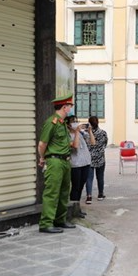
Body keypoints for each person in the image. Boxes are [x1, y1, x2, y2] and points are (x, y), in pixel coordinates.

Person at [36, 94, 76, 233]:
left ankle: (60, 220)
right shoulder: (51, 122)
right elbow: (42, 144)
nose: (71, 109)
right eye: (70, 106)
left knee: (64, 192)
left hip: (65, 161)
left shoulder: (62, 124)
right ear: (64, 107)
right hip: (55, 161)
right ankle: (46, 223)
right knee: (52, 192)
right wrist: (42, 158)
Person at [66, 115, 94, 218]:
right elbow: (75, 146)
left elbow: (93, 142)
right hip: (76, 165)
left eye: (76, 121)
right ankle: (72, 209)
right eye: (73, 121)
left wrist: (90, 131)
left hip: (85, 163)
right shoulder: (67, 136)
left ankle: (77, 208)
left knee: (81, 186)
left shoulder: (82, 133)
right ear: (68, 124)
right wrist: (77, 132)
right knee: (75, 187)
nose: (76, 123)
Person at [87, 116, 108, 203]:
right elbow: (105, 145)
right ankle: (100, 194)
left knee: (89, 178)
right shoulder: (103, 133)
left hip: (89, 159)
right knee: (100, 177)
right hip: (100, 158)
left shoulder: (86, 133)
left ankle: (89, 196)